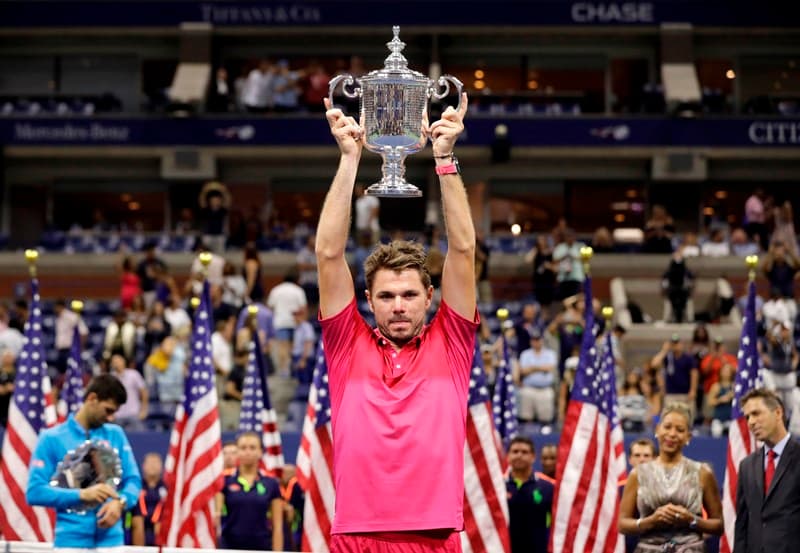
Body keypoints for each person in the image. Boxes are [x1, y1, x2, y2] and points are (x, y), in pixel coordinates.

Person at [317, 93, 475, 552]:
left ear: (431, 296)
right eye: (386, 296)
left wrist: (444, 160)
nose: (399, 306)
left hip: (435, 533)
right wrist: (349, 160)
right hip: (355, 533)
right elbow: (328, 254)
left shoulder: (453, 341)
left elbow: (463, 251)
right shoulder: (346, 343)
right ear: (369, 300)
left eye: (409, 295)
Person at [26, 374, 142, 549]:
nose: (111, 418)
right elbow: (34, 492)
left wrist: (120, 503)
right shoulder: (51, 438)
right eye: (108, 410)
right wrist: (82, 495)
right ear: (92, 398)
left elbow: (133, 481)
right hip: (70, 542)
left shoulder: (116, 434)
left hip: (112, 541)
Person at [619, 403, 723, 553]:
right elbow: (623, 524)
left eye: (680, 430)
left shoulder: (702, 473)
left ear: (688, 437)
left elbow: (719, 526)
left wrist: (691, 520)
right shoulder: (638, 474)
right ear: (657, 430)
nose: (672, 434)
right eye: (667, 427)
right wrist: (650, 521)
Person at [734, 388, 800, 553]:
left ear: (778, 413)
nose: (750, 422)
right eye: (747, 417)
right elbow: (742, 523)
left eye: (756, 414)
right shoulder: (746, 466)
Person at [215, 431, 284, 551]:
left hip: (262, 547)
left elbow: (277, 526)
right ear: (237, 452)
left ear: (260, 452)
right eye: (243, 448)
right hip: (229, 547)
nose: (247, 452)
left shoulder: (271, 483)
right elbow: (216, 516)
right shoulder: (225, 481)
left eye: (252, 448)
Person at [505, 436, 555, 553]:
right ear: (508, 457)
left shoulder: (548, 487)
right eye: (515, 451)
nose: (519, 455)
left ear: (533, 457)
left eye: (524, 452)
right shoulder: (498, 487)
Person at [621, 438, 656, 553]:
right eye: (637, 455)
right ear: (630, 459)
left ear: (655, 459)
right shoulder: (616, 491)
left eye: (646, 456)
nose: (642, 460)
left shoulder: (668, 490)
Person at [131, 452, 167, 546]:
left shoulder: (167, 489)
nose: (153, 466)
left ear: (162, 467)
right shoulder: (136, 487)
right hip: (139, 524)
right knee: (137, 520)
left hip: (159, 525)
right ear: (143, 466)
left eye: (155, 463)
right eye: (150, 463)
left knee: (162, 521)